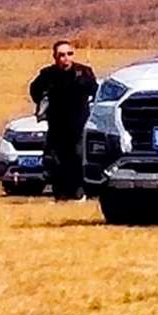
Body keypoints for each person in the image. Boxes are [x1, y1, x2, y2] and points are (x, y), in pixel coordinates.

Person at [28, 39, 97, 202]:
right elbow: (34, 90)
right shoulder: (47, 74)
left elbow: (95, 92)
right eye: (61, 55)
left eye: (69, 54)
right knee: (56, 160)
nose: (65, 58)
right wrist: (42, 101)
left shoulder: (84, 72)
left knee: (78, 158)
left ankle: (79, 193)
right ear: (55, 57)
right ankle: (60, 194)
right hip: (57, 124)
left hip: (79, 125)